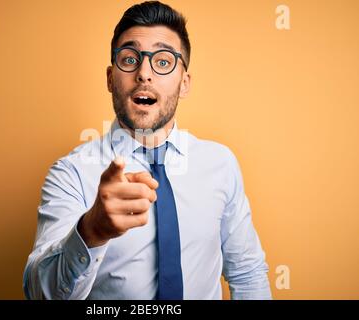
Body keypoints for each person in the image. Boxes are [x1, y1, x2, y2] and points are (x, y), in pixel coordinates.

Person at [23, 1, 272, 300]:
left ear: (184, 83)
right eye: (129, 59)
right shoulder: (71, 173)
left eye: (163, 62)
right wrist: (91, 232)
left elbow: (247, 272)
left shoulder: (221, 164)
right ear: (110, 79)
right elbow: (39, 294)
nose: (144, 74)